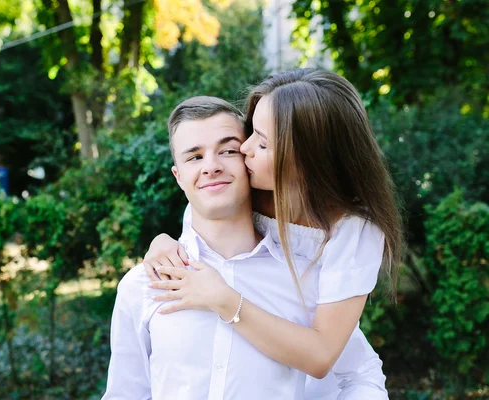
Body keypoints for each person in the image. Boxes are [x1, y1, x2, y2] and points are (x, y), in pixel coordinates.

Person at [143, 69, 402, 399]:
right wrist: (161, 242)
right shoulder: (247, 188)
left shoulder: (352, 230)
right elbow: (200, 223)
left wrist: (225, 300)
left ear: (305, 159)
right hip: (266, 369)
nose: (245, 148)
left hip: (333, 376)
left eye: (262, 143)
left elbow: (323, 355)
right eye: (251, 132)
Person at [104, 96, 316, 399]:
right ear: (179, 177)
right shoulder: (142, 285)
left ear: (249, 160)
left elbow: (350, 377)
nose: (211, 167)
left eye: (228, 151)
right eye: (194, 157)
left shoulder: (304, 276)